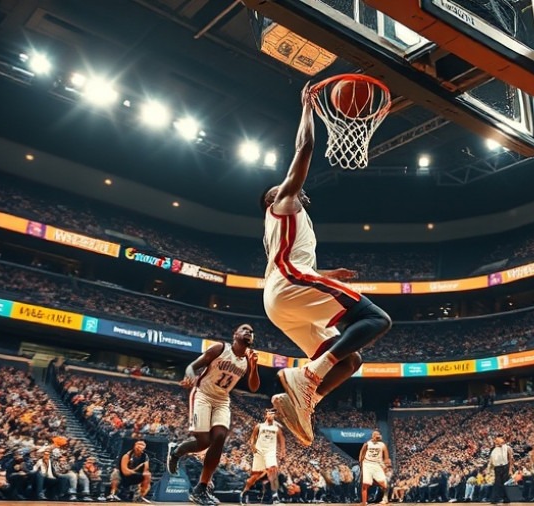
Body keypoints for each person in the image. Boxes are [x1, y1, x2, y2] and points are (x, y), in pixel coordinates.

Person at [260, 83, 392, 445]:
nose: (287, 185)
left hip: (282, 297)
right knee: (376, 319)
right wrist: (307, 108)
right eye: (280, 186)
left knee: (351, 361)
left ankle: (307, 399)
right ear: (273, 199)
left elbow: (288, 262)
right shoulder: (283, 203)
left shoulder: (285, 224)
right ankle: (307, 377)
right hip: (289, 286)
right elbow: (304, 147)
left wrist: (324, 275)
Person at [167, 324, 260, 505]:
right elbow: (192, 366)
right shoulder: (220, 348)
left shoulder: (248, 359)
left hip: (222, 400)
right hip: (202, 394)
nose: (249, 332)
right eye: (244, 329)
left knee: (220, 436)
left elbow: (254, 387)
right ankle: (176, 452)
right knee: (203, 442)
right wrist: (190, 377)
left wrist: (255, 366)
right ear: (235, 334)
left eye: (251, 331)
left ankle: (201, 488)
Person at [240, 409, 286, 505]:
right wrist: (252, 445)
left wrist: (282, 451)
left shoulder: (277, 428)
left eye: (273, 414)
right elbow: (252, 437)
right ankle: (244, 493)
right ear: (266, 415)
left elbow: (282, 440)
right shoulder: (259, 426)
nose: (272, 415)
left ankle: (275, 497)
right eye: (270, 413)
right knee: (256, 476)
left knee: (272, 470)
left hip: (270, 451)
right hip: (259, 451)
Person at [359, 430, 390, 506]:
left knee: (385, 485)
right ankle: (364, 502)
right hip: (367, 463)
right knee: (365, 484)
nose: (376, 436)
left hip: (377, 464)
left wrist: (386, 466)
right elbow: (361, 453)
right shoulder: (367, 443)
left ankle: (385, 499)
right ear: (372, 436)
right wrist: (360, 462)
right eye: (375, 434)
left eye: (378, 434)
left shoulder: (382, 445)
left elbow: (386, 457)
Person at [486, 436, 513, 504]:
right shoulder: (494, 450)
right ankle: (498, 499)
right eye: (498, 441)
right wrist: (489, 470)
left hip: (505, 467)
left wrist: (510, 469)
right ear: (496, 442)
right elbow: (491, 461)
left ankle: (504, 498)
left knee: (503, 484)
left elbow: (510, 459)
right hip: (497, 468)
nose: (500, 442)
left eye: (501, 441)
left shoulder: (507, 447)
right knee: (498, 483)